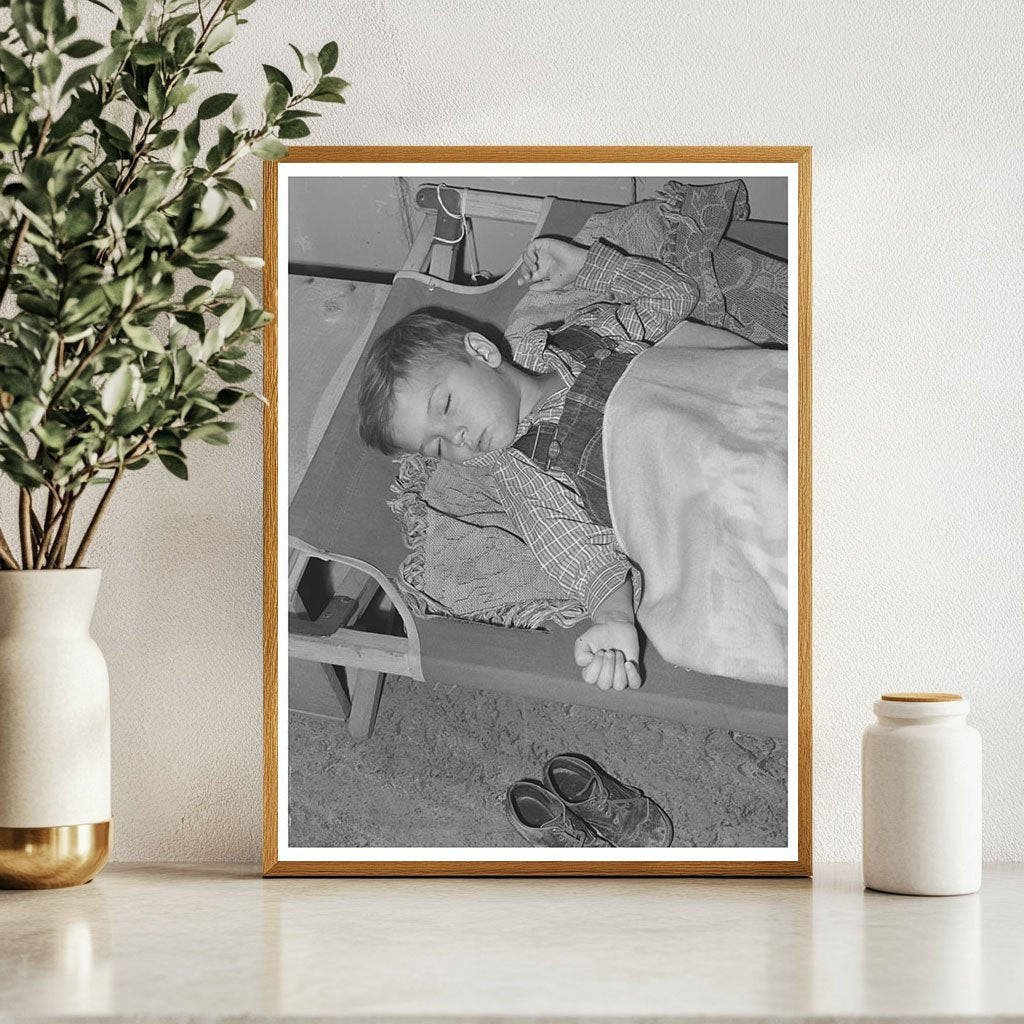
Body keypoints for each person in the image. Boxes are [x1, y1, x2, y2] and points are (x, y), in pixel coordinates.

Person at [357, 237, 700, 693]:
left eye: (446, 406)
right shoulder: (523, 471)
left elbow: (675, 296)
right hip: (700, 487)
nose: (455, 438)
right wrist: (615, 618)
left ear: (481, 352)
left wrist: (588, 266)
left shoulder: (587, 336)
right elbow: (580, 554)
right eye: (436, 448)